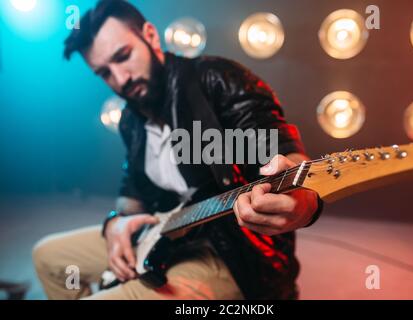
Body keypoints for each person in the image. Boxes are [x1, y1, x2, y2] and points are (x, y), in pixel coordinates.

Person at [33, 0, 323, 300]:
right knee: (47, 256)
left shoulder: (216, 78)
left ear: (151, 36)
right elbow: (131, 191)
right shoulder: (131, 119)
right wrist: (114, 223)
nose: (120, 80)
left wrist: (302, 202)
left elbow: (281, 151)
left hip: (232, 254)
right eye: (105, 73)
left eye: (123, 56)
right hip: (165, 235)